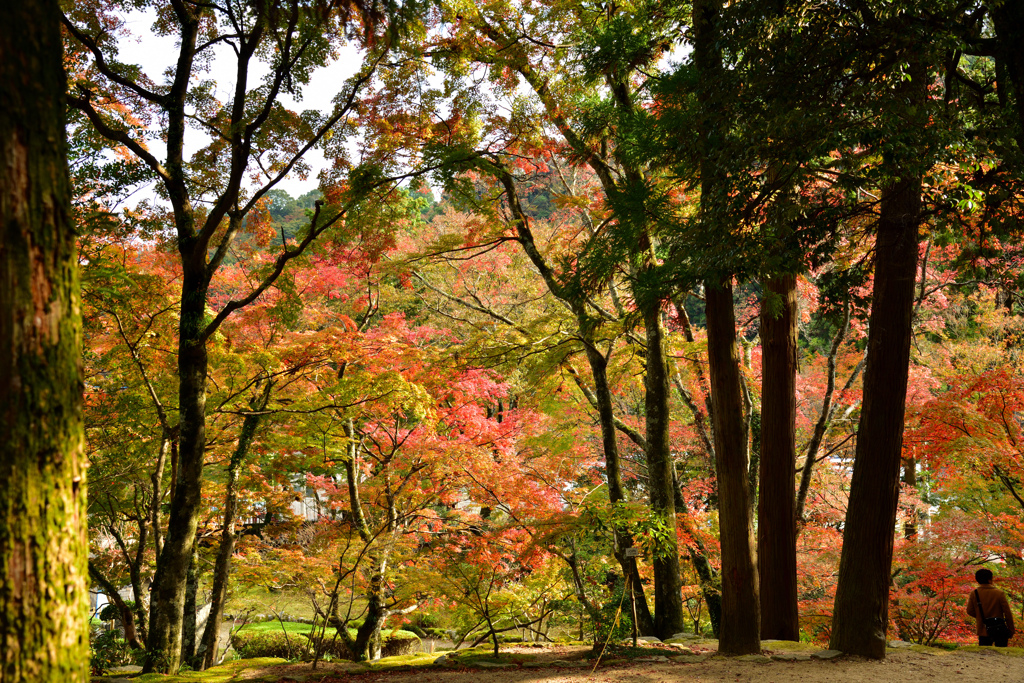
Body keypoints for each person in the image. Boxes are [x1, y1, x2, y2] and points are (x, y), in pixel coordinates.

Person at [966, 568, 1015, 646]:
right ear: (990, 579)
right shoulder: (999, 593)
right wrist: (1011, 629)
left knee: (983, 656)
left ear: (977, 580)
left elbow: (969, 611)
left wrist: (980, 616)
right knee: (1001, 654)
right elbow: (1007, 613)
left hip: (983, 629)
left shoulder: (974, 593)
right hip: (1000, 629)